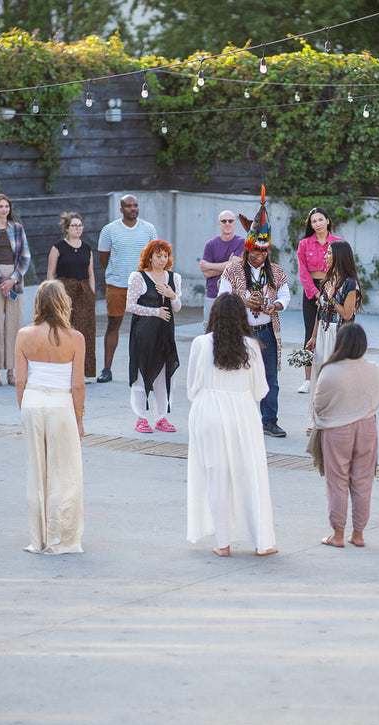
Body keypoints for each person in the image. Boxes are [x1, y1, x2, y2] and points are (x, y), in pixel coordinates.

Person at [186, 293, 278, 557]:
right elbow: (261, 390)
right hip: (242, 413)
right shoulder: (251, 347)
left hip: (207, 410)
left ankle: (223, 542)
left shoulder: (201, 343)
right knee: (250, 475)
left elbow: (193, 386)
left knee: (215, 475)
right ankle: (262, 542)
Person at [14, 280, 86, 554]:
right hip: (61, 404)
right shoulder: (75, 338)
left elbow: (20, 381)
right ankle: (62, 537)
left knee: (37, 471)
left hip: (32, 401)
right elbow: (77, 385)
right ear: (62, 303)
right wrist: (79, 418)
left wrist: (24, 408)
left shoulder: (24, 334)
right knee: (64, 472)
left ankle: (38, 537)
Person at [218, 191, 290, 438]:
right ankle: (241, 420)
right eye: (254, 253)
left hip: (267, 330)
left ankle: (269, 421)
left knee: (270, 378)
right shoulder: (233, 270)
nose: (259, 257)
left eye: (263, 253)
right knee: (239, 375)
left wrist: (275, 306)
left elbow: (286, 296)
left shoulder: (276, 272)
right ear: (247, 251)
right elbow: (223, 298)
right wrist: (243, 302)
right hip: (243, 331)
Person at [310, 322, 379, 548]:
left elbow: (318, 404)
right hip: (367, 427)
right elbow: (377, 399)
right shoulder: (373, 368)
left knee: (337, 482)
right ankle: (358, 534)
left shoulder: (330, 370)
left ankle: (338, 535)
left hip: (337, 429)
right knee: (363, 481)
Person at [97, 194, 157, 383]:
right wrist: (118, 273)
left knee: (144, 327)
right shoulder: (109, 230)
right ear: (121, 209)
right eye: (128, 206)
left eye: (135, 205)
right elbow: (103, 258)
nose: (133, 208)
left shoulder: (148, 228)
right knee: (113, 325)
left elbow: (155, 256)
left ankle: (145, 368)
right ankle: (107, 369)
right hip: (117, 285)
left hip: (143, 286)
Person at [126, 239, 182, 433]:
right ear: (149, 257)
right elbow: (130, 306)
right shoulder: (138, 277)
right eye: (158, 256)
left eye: (165, 256)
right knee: (142, 374)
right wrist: (155, 311)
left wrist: (172, 295)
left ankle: (161, 417)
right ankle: (140, 417)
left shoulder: (174, 278)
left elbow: (177, 308)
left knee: (163, 375)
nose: (162, 260)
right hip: (144, 333)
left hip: (165, 333)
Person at [0, 194, 31, 388]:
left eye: (7, 206)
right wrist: (2, 280)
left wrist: (13, 279)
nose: (4, 210)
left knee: (14, 325)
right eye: (0, 206)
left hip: (15, 279)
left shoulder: (17, 228)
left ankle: (11, 370)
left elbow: (25, 256)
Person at [296, 207, 344, 394]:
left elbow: (341, 268)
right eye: (313, 221)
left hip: (333, 287)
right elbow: (303, 272)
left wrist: (330, 293)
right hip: (312, 291)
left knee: (334, 331)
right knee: (310, 334)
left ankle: (333, 376)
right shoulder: (304, 244)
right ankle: (308, 379)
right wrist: (316, 294)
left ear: (328, 221)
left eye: (320, 220)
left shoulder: (338, 243)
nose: (317, 224)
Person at [47, 212, 96, 381]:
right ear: (66, 228)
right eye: (74, 225)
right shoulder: (58, 247)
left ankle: (84, 370)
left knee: (85, 332)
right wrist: (51, 295)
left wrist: (92, 294)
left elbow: (91, 274)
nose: (78, 228)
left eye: (80, 225)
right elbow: (50, 273)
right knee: (63, 330)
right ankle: (62, 368)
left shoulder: (87, 248)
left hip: (84, 291)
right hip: (63, 291)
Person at [305, 239, 361, 370]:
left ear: (339, 256)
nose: (325, 256)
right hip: (323, 333)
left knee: (335, 373)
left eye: (329, 253)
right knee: (320, 373)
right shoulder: (328, 280)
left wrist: (332, 299)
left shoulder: (350, 283)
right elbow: (320, 311)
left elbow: (347, 315)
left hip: (338, 334)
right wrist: (313, 337)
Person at [199, 210, 246, 326]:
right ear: (219, 223)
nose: (227, 223)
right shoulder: (210, 244)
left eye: (230, 221)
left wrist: (209, 266)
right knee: (209, 328)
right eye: (224, 221)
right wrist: (228, 263)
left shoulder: (241, 242)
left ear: (235, 223)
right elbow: (206, 274)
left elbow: (234, 266)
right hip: (212, 294)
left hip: (233, 295)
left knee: (233, 329)